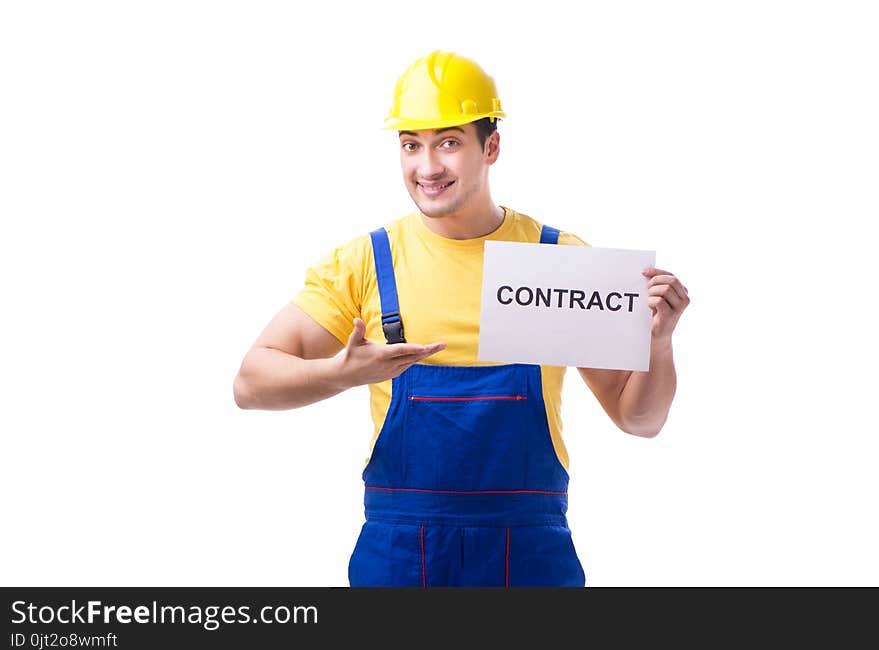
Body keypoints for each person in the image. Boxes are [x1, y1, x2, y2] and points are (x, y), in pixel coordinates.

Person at [233, 50, 689, 587]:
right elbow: (250, 383)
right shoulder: (365, 263)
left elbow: (639, 420)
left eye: (448, 142)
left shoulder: (560, 263)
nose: (427, 167)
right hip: (399, 556)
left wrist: (657, 345)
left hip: (529, 555)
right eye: (411, 145)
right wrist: (342, 373)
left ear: (490, 146)